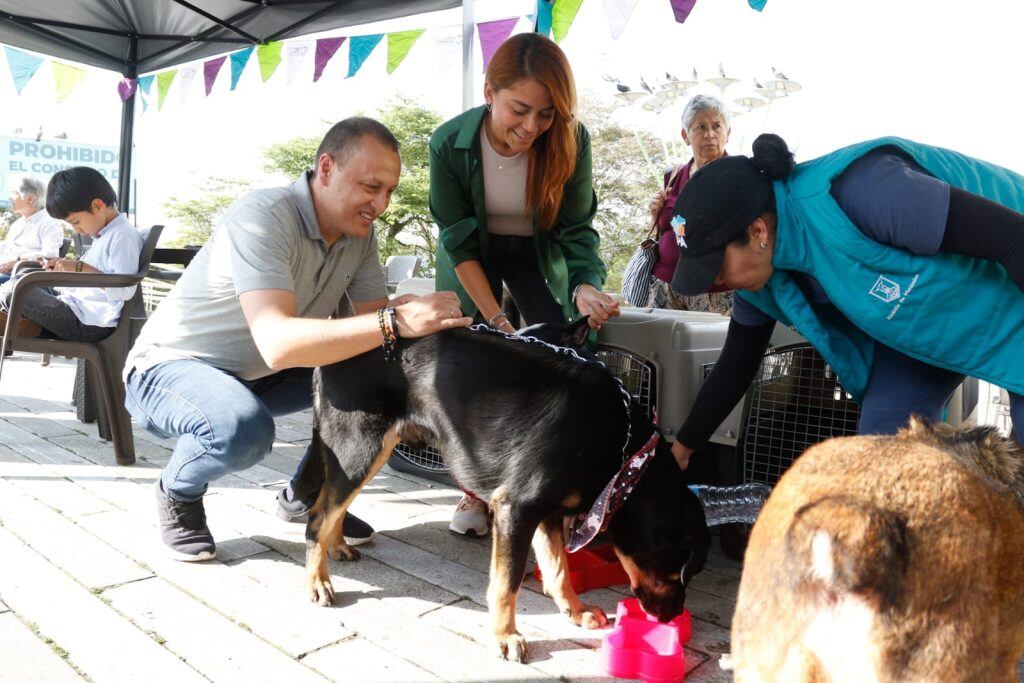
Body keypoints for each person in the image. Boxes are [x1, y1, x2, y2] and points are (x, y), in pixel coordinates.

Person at [124, 117, 472, 562]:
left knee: (375, 374)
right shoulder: (263, 216)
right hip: (170, 371)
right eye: (371, 186)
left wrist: (401, 313)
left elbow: (370, 329)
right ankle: (178, 490)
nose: (381, 203)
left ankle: (307, 495)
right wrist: (395, 321)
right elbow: (279, 342)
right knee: (241, 430)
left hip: (262, 374)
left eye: (388, 191)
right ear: (325, 168)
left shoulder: (359, 235)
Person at [668, 133, 1024, 474]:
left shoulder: (863, 191)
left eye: (716, 268)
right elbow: (736, 363)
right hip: (921, 325)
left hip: (1008, 286)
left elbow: (1013, 239)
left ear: (757, 232)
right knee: (880, 454)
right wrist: (682, 448)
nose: (717, 285)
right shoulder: (759, 284)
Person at [428, 32, 620, 537]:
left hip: (537, 256)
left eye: (547, 114)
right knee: (476, 362)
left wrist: (583, 286)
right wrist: (495, 320)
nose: (532, 127)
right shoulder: (448, 143)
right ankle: (473, 489)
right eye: (520, 109)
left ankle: (553, 484)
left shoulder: (572, 141)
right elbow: (460, 244)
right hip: (475, 259)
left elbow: (577, 230)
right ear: (490, 91)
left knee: (562, 358)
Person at [0, 167, 141, 342]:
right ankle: (25, 325)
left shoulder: (122, 235)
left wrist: (79, 267)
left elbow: (125, 289)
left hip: (91, 322)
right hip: (76, 306)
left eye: (75, 222)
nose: (76, 230)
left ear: (98, 206)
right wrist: (67, 267)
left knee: (13, 290)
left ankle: (23, 325)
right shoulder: (105, 235)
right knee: (23, 280)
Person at [645, 95, 732, 314]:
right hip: (665, 285)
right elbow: (669, 228)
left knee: (713, 349)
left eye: (716, 126)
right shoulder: (673, 176)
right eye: (700, 127)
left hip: (714, 289)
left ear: (727, 133)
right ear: (685, 135)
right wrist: (655, 213)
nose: (709, 134)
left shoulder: (737, 178)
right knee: (658, 348)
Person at [1, 175, 65, 285]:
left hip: (24, 279)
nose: (9, 197)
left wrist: (18, 260)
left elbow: (50, 255)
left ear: (30, 199)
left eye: (14, 193)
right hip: (7, 274)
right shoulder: (18, 223)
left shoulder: (49, 223)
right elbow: (5, 248)